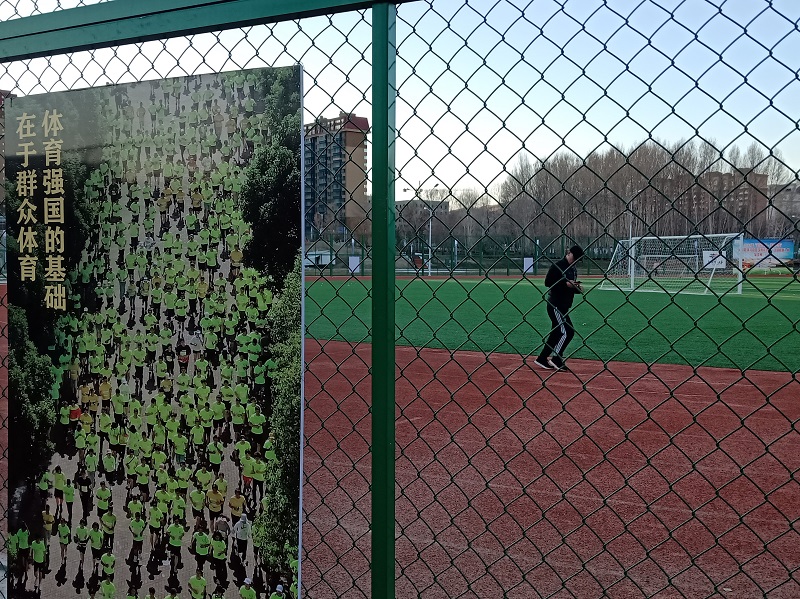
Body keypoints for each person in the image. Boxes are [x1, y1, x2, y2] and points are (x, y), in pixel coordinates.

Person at [534, 245, 584, 371]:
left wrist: (576, 288)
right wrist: (565, 283)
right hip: (555, 304)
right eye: (576, 258)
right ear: (570, 254)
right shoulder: (558, 266)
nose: (577, 261)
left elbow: (569, 286)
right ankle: (556, 358)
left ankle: (542, 358)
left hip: (564, 305)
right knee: (567, 331)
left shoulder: (572, 269)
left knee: (557, 332)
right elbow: (548, 282)